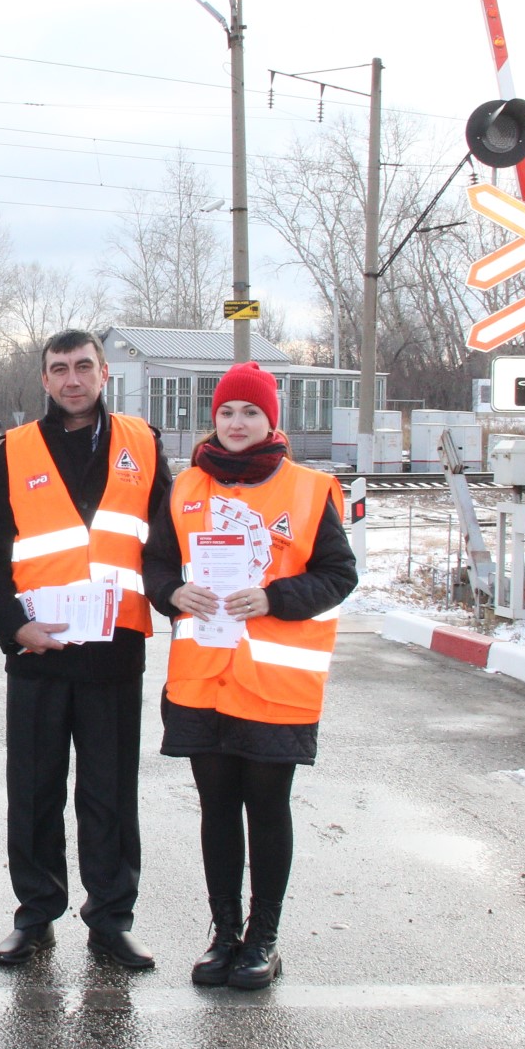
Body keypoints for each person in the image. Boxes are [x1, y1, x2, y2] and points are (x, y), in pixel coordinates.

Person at [143, 361, 356, 990]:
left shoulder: (309, 490)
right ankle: (224, 934)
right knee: (216, 809)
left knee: (265, 809)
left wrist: (275, 598)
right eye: (228, 412)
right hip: (202, 678)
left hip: (274, 685)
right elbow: (156, 565)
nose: (237, 424)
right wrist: (174, 593)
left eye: (251, 413)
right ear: (215, 419)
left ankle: (264, 938)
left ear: (271, 421)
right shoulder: (185, 489)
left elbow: (338, 575)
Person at [0, 329, 170, 970]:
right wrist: (12, 627)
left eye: (85, 366)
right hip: (39, 652)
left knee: (110, 794)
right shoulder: (17, 449)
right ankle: (36, 916)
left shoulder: (143, 443)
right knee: (33, 792)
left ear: (104, 373)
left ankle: (111, 919)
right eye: (61, 369)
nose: (73, 379)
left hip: (114, 651)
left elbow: (167, 542)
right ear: (46, 380)